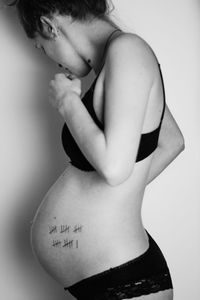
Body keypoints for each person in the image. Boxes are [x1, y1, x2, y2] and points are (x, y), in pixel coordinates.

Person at [9, 1, 185, 299]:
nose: (52, 60)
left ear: (48, 25)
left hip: (124, 278)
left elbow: (114, 168)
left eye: (41, 47)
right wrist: (98, 208)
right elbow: (172, 141)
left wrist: (68, 102)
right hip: (113, 277)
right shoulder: (121, 60)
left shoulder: (128, 51)